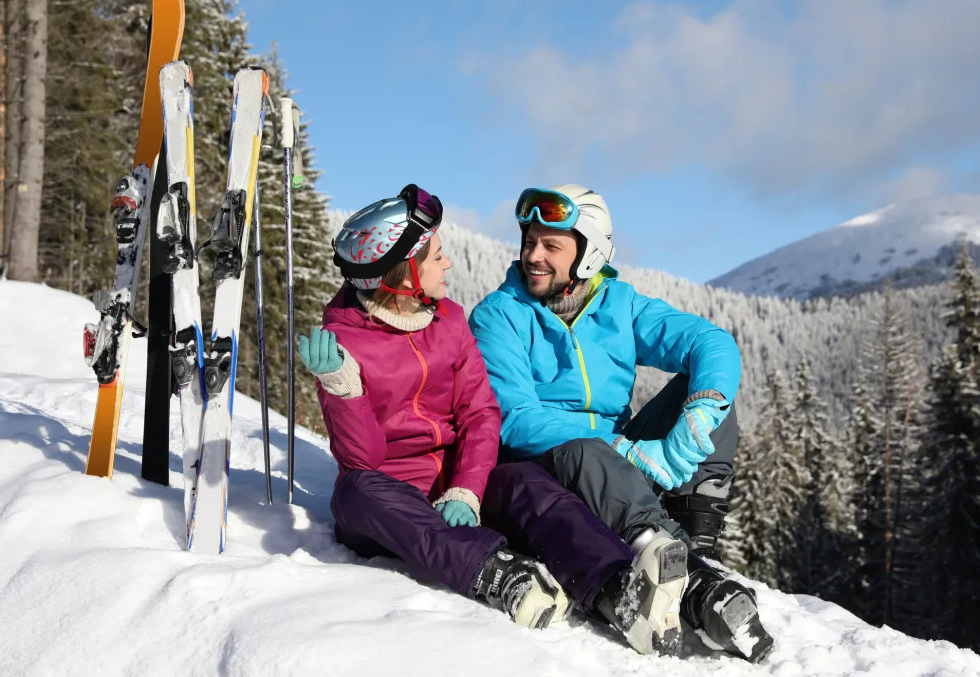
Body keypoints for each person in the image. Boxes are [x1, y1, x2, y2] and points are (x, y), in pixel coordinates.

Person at [299, 184, 693, 655]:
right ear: (404, 276)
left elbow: (480, 413)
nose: (447, 265)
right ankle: (493, 572)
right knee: (355, 491)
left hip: (456, 488)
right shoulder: (344, 342)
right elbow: (364, 459)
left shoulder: (448, 320)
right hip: (392, 502)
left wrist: (467, 487)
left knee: (529, 484)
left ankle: (616, 588)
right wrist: (344, 388)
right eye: (436, 258)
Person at [468, 184, 775, 663]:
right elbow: (515, 420)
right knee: (583, 448)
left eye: (552, 246)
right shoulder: (498, 316)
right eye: (529, 241)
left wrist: (700, 412)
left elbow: (710, 342)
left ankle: (697, 546)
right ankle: (684, 571)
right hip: (548, 464)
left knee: (710, 397)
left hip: (616, 465)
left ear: (588, 255)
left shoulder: (618, 304)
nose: (533, 256)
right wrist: (622, 449)